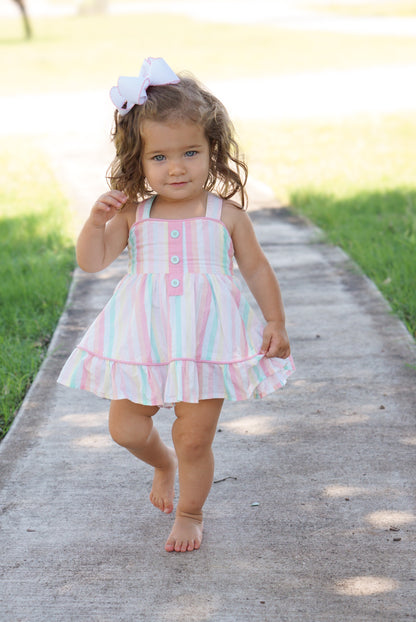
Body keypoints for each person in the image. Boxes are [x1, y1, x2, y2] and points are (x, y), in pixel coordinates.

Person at [58, 57, 294, 553]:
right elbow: (93, 261)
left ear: (213, 151)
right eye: (159, 158)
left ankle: (190, 512)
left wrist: (275, 321)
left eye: (190, 152)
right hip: (145, 340)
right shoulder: (135, 215)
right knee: (124, 428)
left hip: (208, 341)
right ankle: (162, 464)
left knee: (194, 438)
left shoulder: (225, 215)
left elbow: (255, 268)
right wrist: (94, 223)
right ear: (138, 162)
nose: (177, 167)